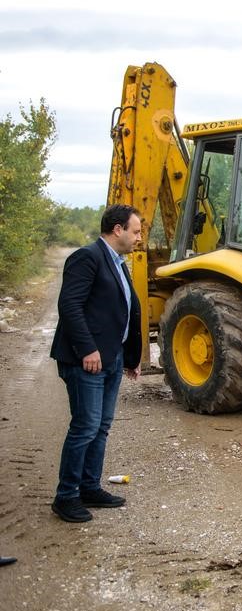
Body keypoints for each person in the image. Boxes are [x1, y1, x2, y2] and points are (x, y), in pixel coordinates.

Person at [49, 204, 143, 523]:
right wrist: (87, 349)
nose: (139, 237)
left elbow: (125, 311)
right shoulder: (86, 257)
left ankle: (89, 487)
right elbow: (70, 306)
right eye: (136, 231)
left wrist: (130, 358)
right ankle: (67, 496)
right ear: (117, 230)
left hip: (112, 357)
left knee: (100, 427)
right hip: (85, 359)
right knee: (86, 425)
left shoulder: (118, 263)